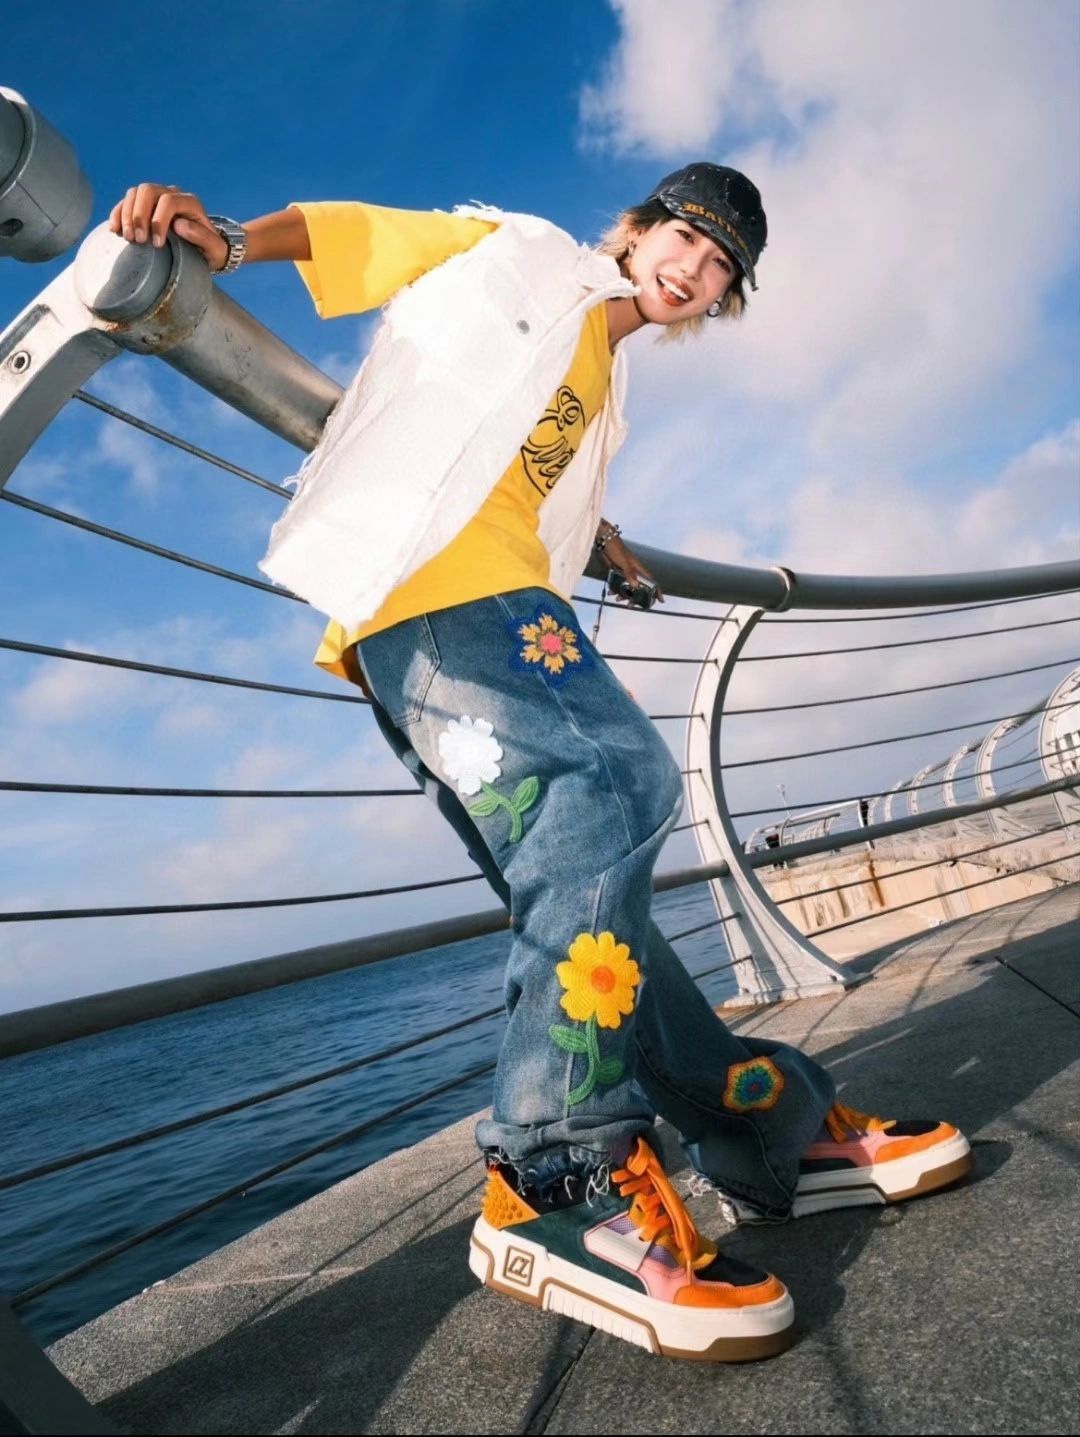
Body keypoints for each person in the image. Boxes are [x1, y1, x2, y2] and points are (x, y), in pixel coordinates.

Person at [109, 167, 972, 1362]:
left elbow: (525, 463)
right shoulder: (517, 249)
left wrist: (596, 527)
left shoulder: (608, 393)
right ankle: (553, 1180)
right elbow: (370, 233)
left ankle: (757, 1123)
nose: (694, 269)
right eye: (685, 238)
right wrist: (232, 240)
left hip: (497, 603)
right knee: (612, 787)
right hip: (432, 592)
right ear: (638, 229)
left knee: (590, 883)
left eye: (721, 267)